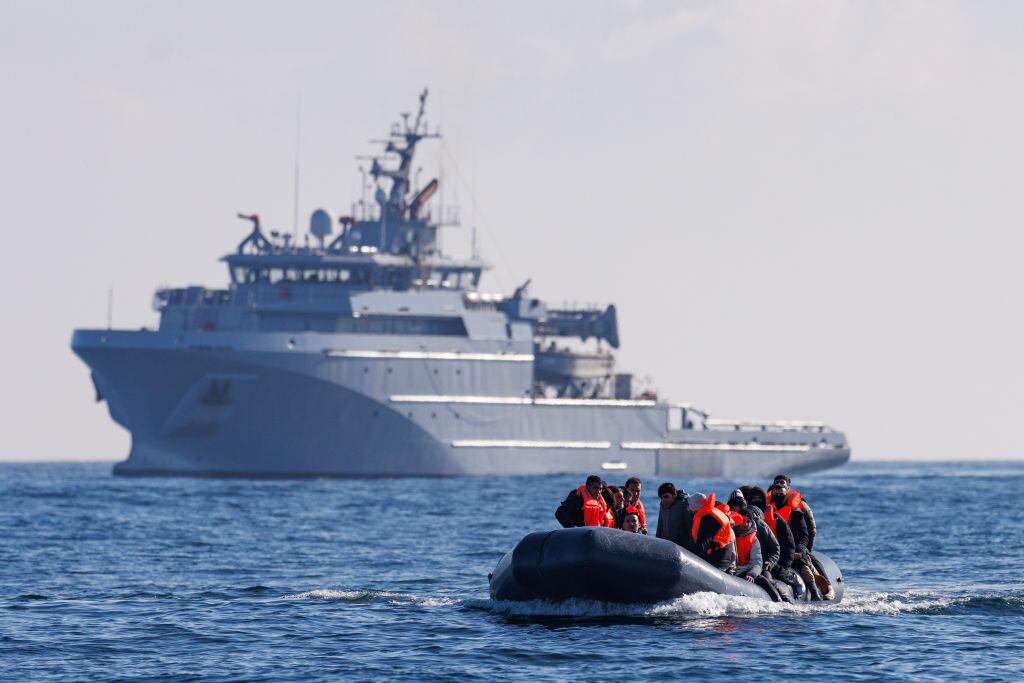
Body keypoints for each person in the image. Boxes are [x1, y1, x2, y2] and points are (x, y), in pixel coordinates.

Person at [743, 485, 804, 598]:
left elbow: (787, 545)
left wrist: (778, 564)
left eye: (759, 499)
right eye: (754, 499)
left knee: (770, 575)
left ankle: (787, 591)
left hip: (770, 562)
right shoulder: (741, 520)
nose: (757, 502)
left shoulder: (775, 519)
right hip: (747, 563)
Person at [769, 484, 823, 600]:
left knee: (801, 563)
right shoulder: (762, 515)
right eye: (775, 493)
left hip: (793, 550)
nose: (778, 495)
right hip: (772, 551)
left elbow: (806, 534)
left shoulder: (796, 513)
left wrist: (802, 550)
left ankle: (814, 590)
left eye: (781, 493)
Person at [687, 492, 736, 573]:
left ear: (695, 506)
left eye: (690, 505)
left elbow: (702, 545)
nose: (688, 508)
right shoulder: (709, 514)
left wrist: (687, 553)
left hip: (718, 560)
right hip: (717, 554)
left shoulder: (709, 519)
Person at [773, 474, 817, 551]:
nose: (779, 484)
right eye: (777, 482)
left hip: (796, 543)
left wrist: (807, 548)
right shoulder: (767, 505)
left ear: (788, 488)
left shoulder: (799, 507)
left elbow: (811, 526)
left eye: (782, 482)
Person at [731, 506, 763, 582]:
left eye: (748, 521)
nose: (745, 523)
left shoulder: (754, 540)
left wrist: (751, 574)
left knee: (763, 580)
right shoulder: (730, 534)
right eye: (743, 520)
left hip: (745, 571)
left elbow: (757, 562)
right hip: (729, 571)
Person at [655, 482, 691, 547]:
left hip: (681, 549)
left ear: (674, 495)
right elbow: (659, 527)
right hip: (665, 547)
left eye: (666, 497)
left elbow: (690, 528)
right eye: (661, 498)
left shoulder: (684, 504)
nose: (663, 500)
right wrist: (656, 545)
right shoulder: (663, 505)